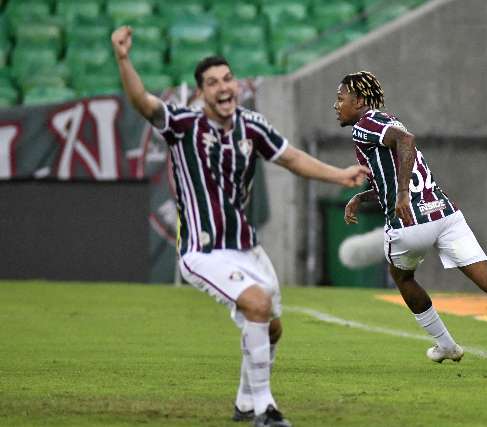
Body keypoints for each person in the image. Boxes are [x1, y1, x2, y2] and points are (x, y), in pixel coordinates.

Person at [111, 26, 369, 427]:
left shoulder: (252, 126)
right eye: (212, 83)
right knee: (257, 305)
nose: (223, 87)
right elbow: (142, 102)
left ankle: (245, 403)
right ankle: (265, 410)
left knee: (273, 329)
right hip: (204, 250)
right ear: (201, 94)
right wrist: (124, 59)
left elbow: (293, 159)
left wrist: (339, 175)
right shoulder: (183, 126)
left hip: (248, 248)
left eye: (227, 79)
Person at [335, 70, 487, 370]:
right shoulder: (389, 119)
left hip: (411, 220)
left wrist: (404, 193)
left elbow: (406, 142)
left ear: (357, 101)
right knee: (486, 275)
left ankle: (447, 345)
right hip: (445, 213)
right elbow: (394, 170)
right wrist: (362, 197)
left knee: (403, 278)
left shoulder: (365, 125)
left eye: (340, 98)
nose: (336, 105)